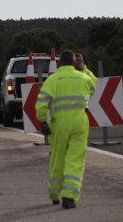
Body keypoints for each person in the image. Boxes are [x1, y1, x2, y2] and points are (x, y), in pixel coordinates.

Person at [35, 50, 96, 209]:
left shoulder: (53, 79)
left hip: (59, 123)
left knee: (58, 157)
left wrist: (43, 121)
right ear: (74, 62)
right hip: (80, 121)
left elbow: (41, 102)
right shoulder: (83, 77)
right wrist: (84, 68)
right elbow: (93, 86)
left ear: (60, 63)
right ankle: (70, 196)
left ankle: (55, 193)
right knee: (76, 159)